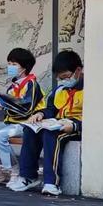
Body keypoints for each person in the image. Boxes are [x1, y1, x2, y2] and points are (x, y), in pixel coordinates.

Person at [16, 51, 83, 196]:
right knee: (30, 130)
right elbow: (51, 109)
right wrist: (40, 114)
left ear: (78, 70)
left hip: (76, 126)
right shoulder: (60, 90)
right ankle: (28, 176)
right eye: (60, 78)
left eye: (66, 77)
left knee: (51, 134)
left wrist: (75, 125)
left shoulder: (90, 91)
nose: (63, 80)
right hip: (58, 123)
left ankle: (51, 182)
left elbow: (97, 119)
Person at [0, 48, 44, 187]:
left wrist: (7, 104)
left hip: (25, 124)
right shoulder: (13, 86)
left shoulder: (32, 84)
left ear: (24, 67)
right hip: (10, 123)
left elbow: (26, 108)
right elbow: (8, 108)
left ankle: (14, 171)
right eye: (9, 63)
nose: (10, 67)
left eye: (14, 64)